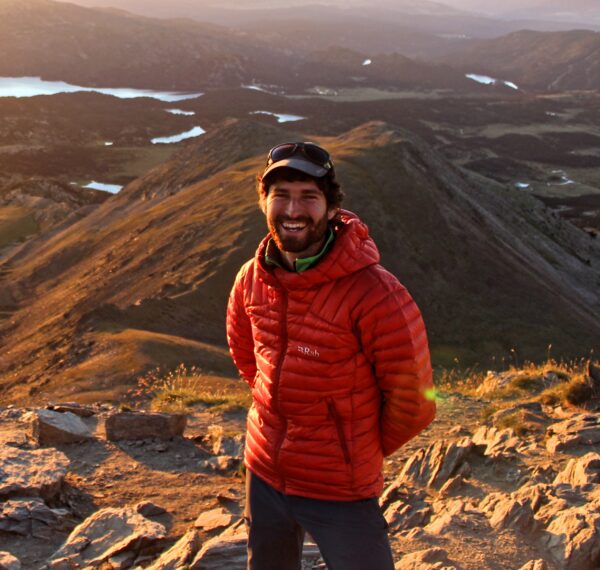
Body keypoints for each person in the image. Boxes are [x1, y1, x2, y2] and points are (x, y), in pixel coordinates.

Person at [226, 141, 436, 570]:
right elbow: (247, 353)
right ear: (263, 200)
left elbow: (415, 401)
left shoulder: (376, 293)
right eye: (281, 195)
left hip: (340, 488)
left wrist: (354, 448)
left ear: (331, 206)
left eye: (309, 197)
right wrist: (273, 410)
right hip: (265, 473)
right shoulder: (253, 277)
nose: (292, 210)